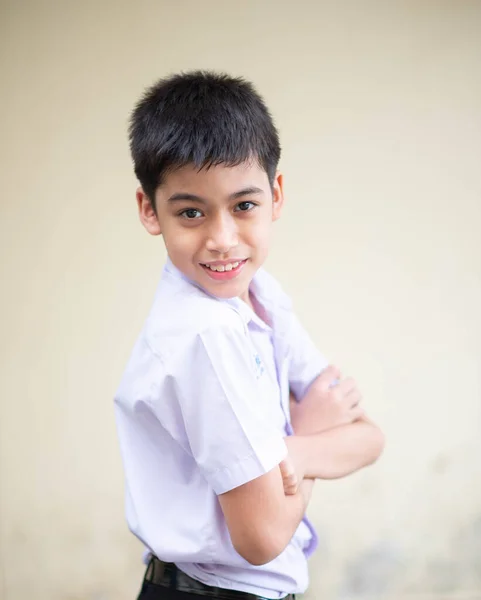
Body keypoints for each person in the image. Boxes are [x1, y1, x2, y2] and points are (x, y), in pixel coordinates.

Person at [114, 71, 385, 600]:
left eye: (243, 206)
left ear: (276, 194)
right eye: (191, 212)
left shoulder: (261, 295)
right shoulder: (204, 334)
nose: (222, 240)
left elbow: (369, 437)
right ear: (150, 210)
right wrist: (309, 439)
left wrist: (296, 453)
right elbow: (260, 536)